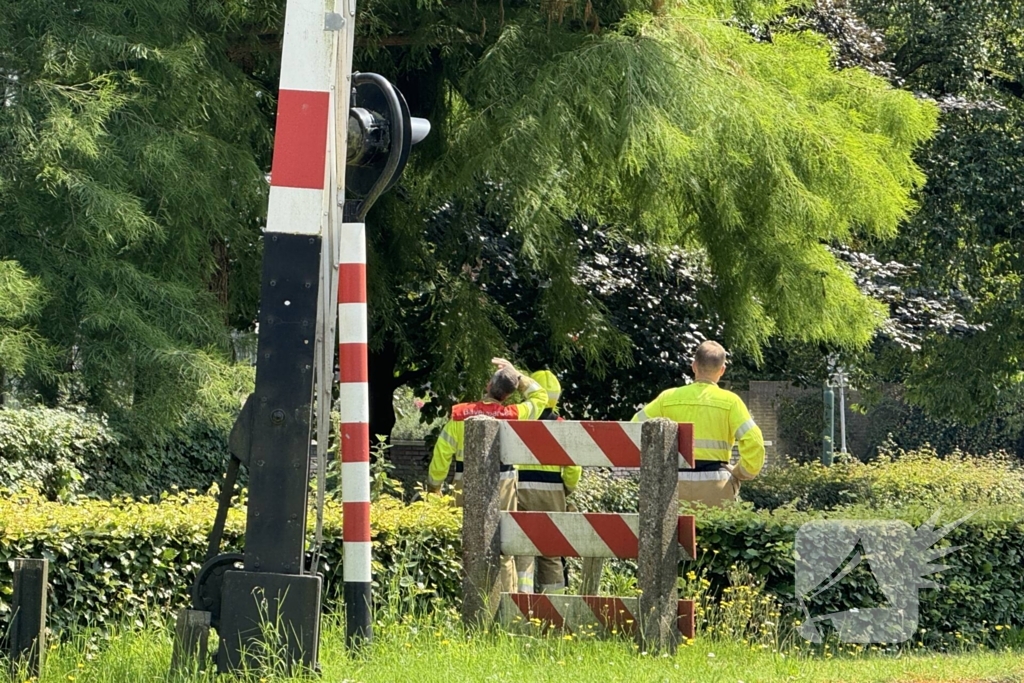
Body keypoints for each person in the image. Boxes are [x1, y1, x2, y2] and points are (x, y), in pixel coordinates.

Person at [426, 358, 547, 592]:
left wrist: (434, 486)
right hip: (504, 484)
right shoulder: (515, 415)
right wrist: (517, 375)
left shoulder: (461, 414)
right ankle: (505, 601)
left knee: (463, 543)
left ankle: (462, 597)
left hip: (465, 481)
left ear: (487, 386)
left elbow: (442, 454)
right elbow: (540, 397)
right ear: (508, 396)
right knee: (502, 545)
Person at [632, 340, 765, 506]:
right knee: (715, 532)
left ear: (694, 366)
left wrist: (655, 468)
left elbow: (635, 428)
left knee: (672, 532)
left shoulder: (668, 398)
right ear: (722, 370)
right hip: (717, 485)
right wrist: (741, 472)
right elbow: (754, 441)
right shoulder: (731, 402)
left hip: (673, 485)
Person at [514, 370, 582, 594]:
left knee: (521, 546)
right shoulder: (562, 426)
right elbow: (574, 468)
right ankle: (555, 605)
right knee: (551, 549)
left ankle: (520, 599)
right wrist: (566, 489)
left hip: (520, 488)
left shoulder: (521, 422)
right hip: (552, 490)